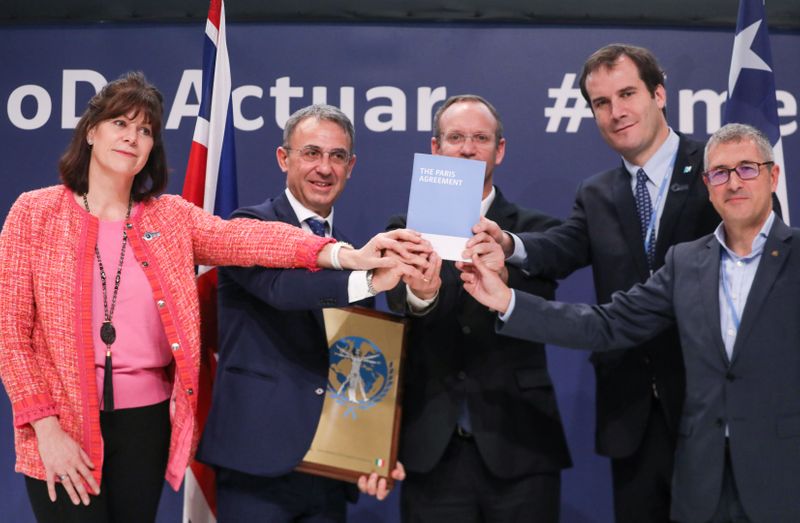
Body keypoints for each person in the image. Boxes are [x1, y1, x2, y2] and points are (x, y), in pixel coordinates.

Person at [0, 73, 424, 523]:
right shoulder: (34, 213)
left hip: (146, 425)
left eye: (145, 130)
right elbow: (10, 334)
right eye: (120, 123)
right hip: (61, 426)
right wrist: (44, 428)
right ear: (91, 131)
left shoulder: (170, 218)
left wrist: (344, 255)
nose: (132, 138)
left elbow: (248, 240)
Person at [462, 123, 798, 523]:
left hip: (783, 478)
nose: (733, 183)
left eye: (747, 168)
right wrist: (507, 301)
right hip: (700, 483)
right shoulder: (686, 262)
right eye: (720, 173)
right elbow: (607, 324)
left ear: (773, 175)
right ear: (707, 186)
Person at [471, 44, 721, 523]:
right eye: (601, 103)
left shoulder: (715, 169)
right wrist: (506, 242)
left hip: (706, 402)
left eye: (627, 93)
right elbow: (563, 248)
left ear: (660, 94)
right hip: (630, 416)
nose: (616, 112)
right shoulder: (597, 192)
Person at [197, 104, 422, 522]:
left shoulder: (355, 253)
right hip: (256, 462)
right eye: (311, 153)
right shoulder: (247, 226)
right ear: (284, 158)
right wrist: (369, 278)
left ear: (351, 166)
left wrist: (369, 453)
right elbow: (287, 290)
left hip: (327, 472)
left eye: (337, 156)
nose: (325, 167)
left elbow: (356, 356)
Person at [386, 95, 571, 522]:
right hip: (432, 452)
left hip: (521, 445)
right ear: (436, 149)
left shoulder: (537, 232)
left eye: (480, 138)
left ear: (499, 150)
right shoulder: (404, 229)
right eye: (456, 138)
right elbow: (399, 303)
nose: (468, 149)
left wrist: (507, 281)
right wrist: (422, 294)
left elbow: (545, 308)